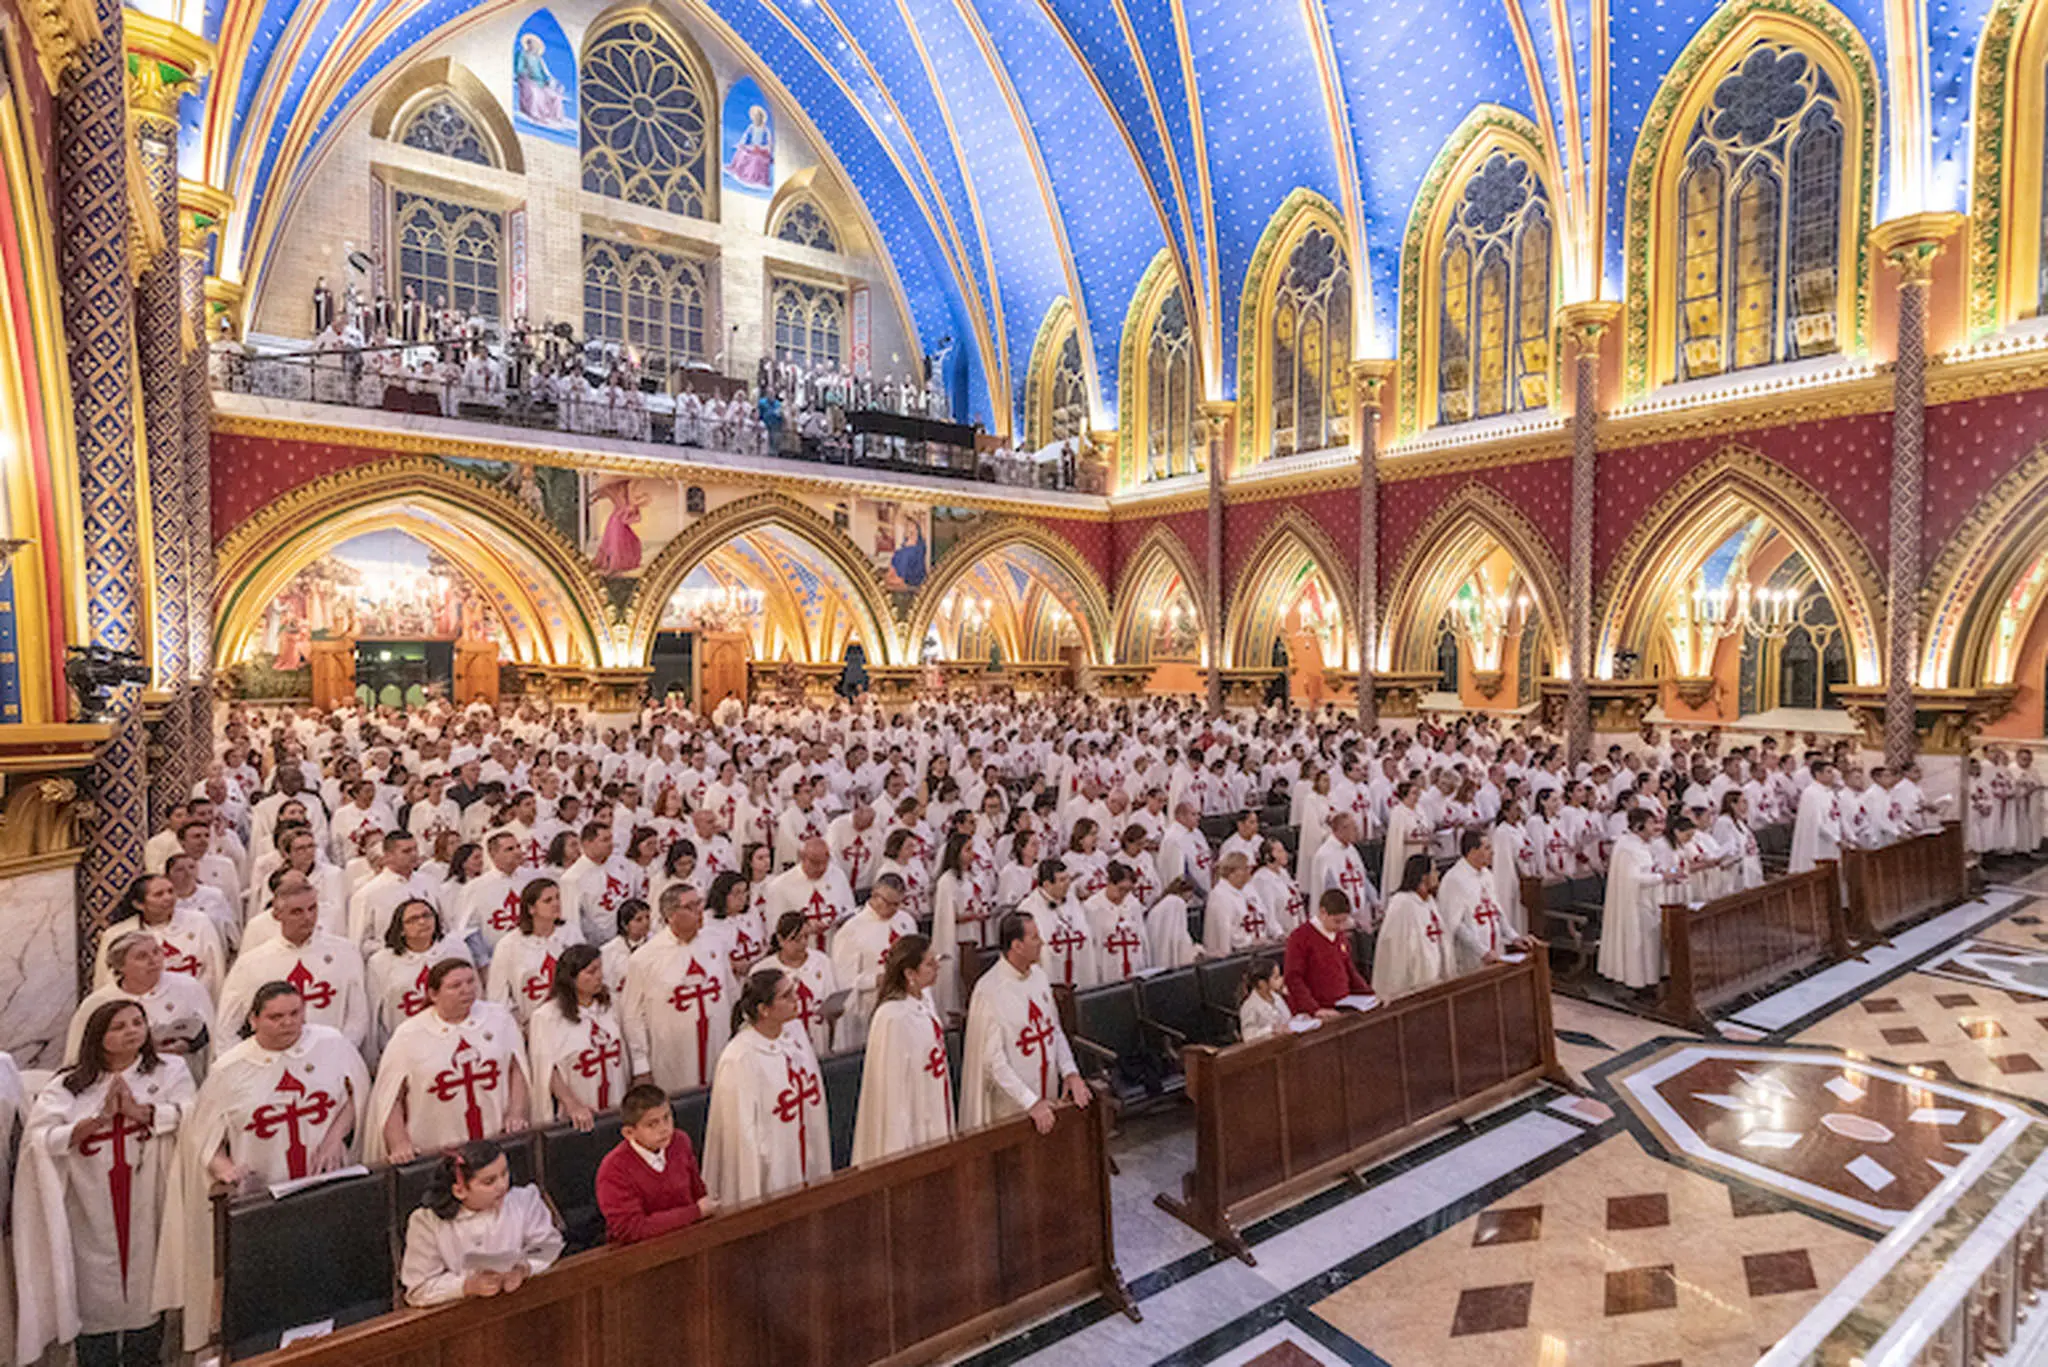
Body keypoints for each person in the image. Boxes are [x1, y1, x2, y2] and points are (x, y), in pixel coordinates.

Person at [174, 981, 371, 1350]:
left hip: (330, 1186)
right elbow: (203, 1138)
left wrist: (334, 1137)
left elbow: (356, 1094)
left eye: (296, 1013)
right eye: (276, 1017)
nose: (288, 1023)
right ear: (254, 1019)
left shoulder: (329, 1043)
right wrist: (224, 1168)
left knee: (333, 1273)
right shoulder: (230, 1069)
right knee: (278, 1286)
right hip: (265, 1196)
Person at [13, 1001, 193, 1367]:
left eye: (138, 1022)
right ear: (98, 1038)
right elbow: (38, 1139)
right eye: (119, 1026)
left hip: (149, 1195)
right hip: (89, 1202)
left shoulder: (170, 1070)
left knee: (148, 1285)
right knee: (94, 1292)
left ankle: (147, 1357)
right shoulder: (69, 1084)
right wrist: (94, 1122)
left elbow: (193, 1113)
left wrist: (142, 1113)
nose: (132, 1031)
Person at [368, 960, 530, 1163]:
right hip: (436, 1148)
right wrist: (399, 1142)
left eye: (471, 982)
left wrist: (516, 1113)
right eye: (455, 986)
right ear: (433, 994)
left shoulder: (499, 1018)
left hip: (495, 1139)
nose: (467, 990)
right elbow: (391, 1097)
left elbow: (516, 1068)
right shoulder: (409, 1036)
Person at [701, 968, 830, 1204]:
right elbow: (742, 1135)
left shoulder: (794, 1037)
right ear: (764, 1009)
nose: (796, 999)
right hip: (772, 1167)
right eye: (786, 996)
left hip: (803, 1149)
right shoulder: (740, 1057)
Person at [959, 912, 1090, 1134]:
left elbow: (1054, 1030)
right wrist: (1030, 1101)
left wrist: (1070, 1072)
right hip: (1012, 1111)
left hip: (1047, 1099)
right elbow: (993, 1062)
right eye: (1035, 937)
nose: (1042, 943)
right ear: (1017, 945)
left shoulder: (1039, 976)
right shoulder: (989, 991)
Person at [398, 1139, 562, 1307]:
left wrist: (524, 1269)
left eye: (505, 1173)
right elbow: (418, 1290)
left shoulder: (524, 1200)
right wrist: (466, 1286)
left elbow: (549, 1247)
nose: (502, 1185)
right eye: (489, 1182)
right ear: (459, 1190)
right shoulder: (427, 1223)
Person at [215, 876, 370, 1051]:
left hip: (330, 1058)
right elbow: (227, 1027)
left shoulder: (345, 952)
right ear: (277, 914)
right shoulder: (252, 963)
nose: (308, 917)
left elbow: (358, 1016)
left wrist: (338, 1052)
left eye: (312, 909)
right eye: (297, 911)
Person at [622, 884, 738, 1092]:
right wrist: (641, 1065)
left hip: (717, 1044)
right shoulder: (645, 958)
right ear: (671, 915)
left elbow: (730, 991)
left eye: (699, 903)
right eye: (691, 906)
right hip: (673, 1055)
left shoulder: (715, 943)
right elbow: (632, 1014)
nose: (699, 910)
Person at [851, 934, 954, 1165]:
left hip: (931, 1095)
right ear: (909, 973)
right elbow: (892, 1091)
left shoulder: (924, 999)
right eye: (929, 963)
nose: (937, 966)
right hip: (912, 1114)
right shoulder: (891, 1017)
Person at [65, 932, 213, 1074]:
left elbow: (210, 1033)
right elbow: (78, 1055)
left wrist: (186, 1044)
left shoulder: (188, 987)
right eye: (142, 957)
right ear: (121, 966)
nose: (153, 960)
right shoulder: (99, 1002)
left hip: (182, 1077)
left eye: (156, 952)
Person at [595, 1083, 717, 1245]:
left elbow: (698, 1192)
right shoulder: (613, 1169)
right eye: (652, 1124)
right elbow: (631, 1229)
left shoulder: (680, 1141)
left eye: (667, 1118)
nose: (664, 1129)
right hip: (639, 1255)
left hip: (689, 1239)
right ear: (629, 1133)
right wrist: (694, 1213)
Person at [528, 944, 627, 1130]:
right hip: (578, 1109)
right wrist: (572, 1103)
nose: (599, 976)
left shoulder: (612, 1004)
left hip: (616, 1098)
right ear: (571, 978)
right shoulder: (547, 1016)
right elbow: (547, 1069)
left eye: (600, 969)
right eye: (591, 971)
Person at [366, 897, 472, 1058]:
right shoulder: (380, 962)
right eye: (413, 919)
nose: (422, 922)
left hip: (455, 1036)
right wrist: (373, 1056)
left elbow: (475, 991)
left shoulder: (456, 948)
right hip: (405, 1042)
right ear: (401, 929)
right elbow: (373, 1013)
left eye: (427, 915)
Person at [96, 873, 225, 998]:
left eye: (171, 891)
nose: (168, 897)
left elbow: (215, 971)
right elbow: (106, 981)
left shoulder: (199, 922)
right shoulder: (117, 934)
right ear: (139, 904)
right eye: (159, 894)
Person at [828, 871, 917, 1049]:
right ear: (874, 896)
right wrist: (875, 980)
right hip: (869, 1008)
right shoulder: (851, 930)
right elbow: (843, 980)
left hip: (905, 1002)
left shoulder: (906, 921)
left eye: (897, 904)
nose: (893, 909)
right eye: (888, 903)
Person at [485, 879, 579, 1025]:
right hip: (530, 1023)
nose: (556, 904)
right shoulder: (508, 945)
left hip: (572, 1017)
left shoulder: (571, 932)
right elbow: (498, 996)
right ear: (531, 908)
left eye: (557, 897)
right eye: (547, 900)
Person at [1598, 808, 1669, 990]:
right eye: (1651, 823)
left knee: (1650, 944)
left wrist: (1667, 874)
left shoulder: (1642, 845)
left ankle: (1649, 980)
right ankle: (1633, 984)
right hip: (1634, 905)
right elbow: (1633, 879)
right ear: (1639, 826)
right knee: (1636, 944)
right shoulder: (1627, 847)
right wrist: (1662, 878)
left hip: (1649, 902)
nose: (1655, 827)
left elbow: (1651, 869)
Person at [1372, 856, 1452, 1000]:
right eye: (1434, 871)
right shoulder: (1402, 904)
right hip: (1412, 986)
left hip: (1437, 980)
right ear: (1423, 876)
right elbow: (1395, 950)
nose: (1438, 874)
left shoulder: (1430, 901)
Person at [1282, 889, 1370, 1017]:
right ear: (1323, 912)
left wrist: (1369, 995)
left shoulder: (1339, 936)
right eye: (1336, 921)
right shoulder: (1300, 937)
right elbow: (1293, 978)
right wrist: (1314, 1009)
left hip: (1343, 1006)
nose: (1340, 927)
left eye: (1343, 921)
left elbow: (1349, 970)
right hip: (1318, 1011)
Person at [1237, 959, 1290, 1043]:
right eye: (1276, 978)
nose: (1281, 979)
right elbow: (1248, 1036)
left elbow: (1287, 1020)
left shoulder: (1277, 997)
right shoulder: (1249, 1006)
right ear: (1262, 983)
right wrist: (1271, 1029)